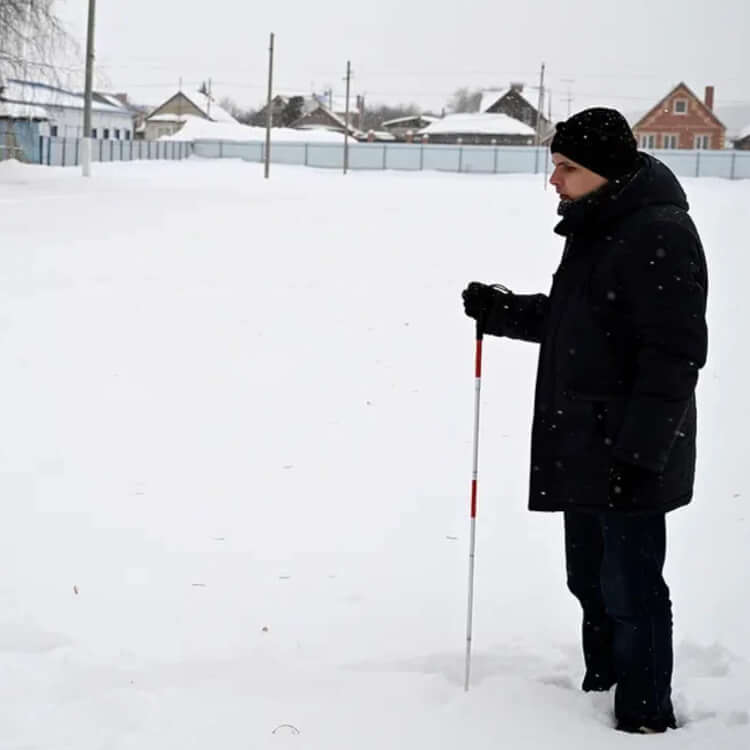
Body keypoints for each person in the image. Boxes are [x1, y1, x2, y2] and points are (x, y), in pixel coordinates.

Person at [462, 108, 708, 734]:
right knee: (590, 580)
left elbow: (674, 355)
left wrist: (641, 452)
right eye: (555, 166)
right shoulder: (597, 227)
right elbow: (577, 325)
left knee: (632, 589)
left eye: (566, 168)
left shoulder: (659, 232)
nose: (554, 180)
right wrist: (504, 311)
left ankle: (644, 715)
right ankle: (600, 690)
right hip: (588, 443)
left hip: (628, 451)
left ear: (602, 172)